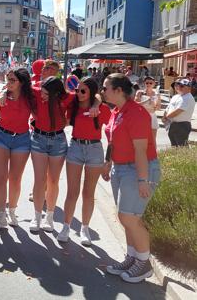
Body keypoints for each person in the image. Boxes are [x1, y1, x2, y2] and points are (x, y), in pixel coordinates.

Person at [103, 73, 161, 283]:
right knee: (125, 217)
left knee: (130, 218)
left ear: (118, 91)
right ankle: (132, 257)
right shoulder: (116, 111)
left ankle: (144, 263)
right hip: (121, 168)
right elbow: (112, 140)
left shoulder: (136, 113)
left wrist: (143, 180)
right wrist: (108, 162)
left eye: (106, 88)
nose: (103, 91)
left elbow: (141, 150)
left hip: (137, 169)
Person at [58, 77, 111, 245]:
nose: (79, 94)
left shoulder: (102, 109)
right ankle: (66, 226)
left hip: (95, 149)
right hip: (75, 146)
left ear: (92, 93)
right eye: (77, 90)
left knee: (88, 193)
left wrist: (109, 160)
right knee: (72, 192)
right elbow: (63, 114)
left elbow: (112, 135)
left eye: (83, 91)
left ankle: (84, 228)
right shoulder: (73, 105)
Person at [0, 68, 36, 228]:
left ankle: (12, 211)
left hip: (22, 139)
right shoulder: (2, 96)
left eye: (12, 80)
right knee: (0, 178)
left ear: (21, 82)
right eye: (7, 79)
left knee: (15, 179)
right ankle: (1, 214)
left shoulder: (31, 96)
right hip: (1, 137)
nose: (8, 83)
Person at [29, 76, 72, 232]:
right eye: (42, 92)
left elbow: (94, 96)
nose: (42, 96)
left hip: (58, 140)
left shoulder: (66, 97)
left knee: (53, 181)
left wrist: (95, 103)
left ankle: (49, 217)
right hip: (38, 139)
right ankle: (37, 216)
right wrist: (2, 94)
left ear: (56, 94)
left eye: (46, 94)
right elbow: (17, 87)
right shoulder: (37, 92)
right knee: (39, 179)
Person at [163, 78, 195, 146]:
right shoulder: (176, 96)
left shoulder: (188, 97)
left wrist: (167, 117)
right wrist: (164, 117)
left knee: (182, 147)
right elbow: (168, 108)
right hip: (173, 124)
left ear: (189, 88)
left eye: (181, 86)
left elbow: (178, 111)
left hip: (182, 125)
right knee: (174, 146)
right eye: (176, 85)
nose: (178, 87)